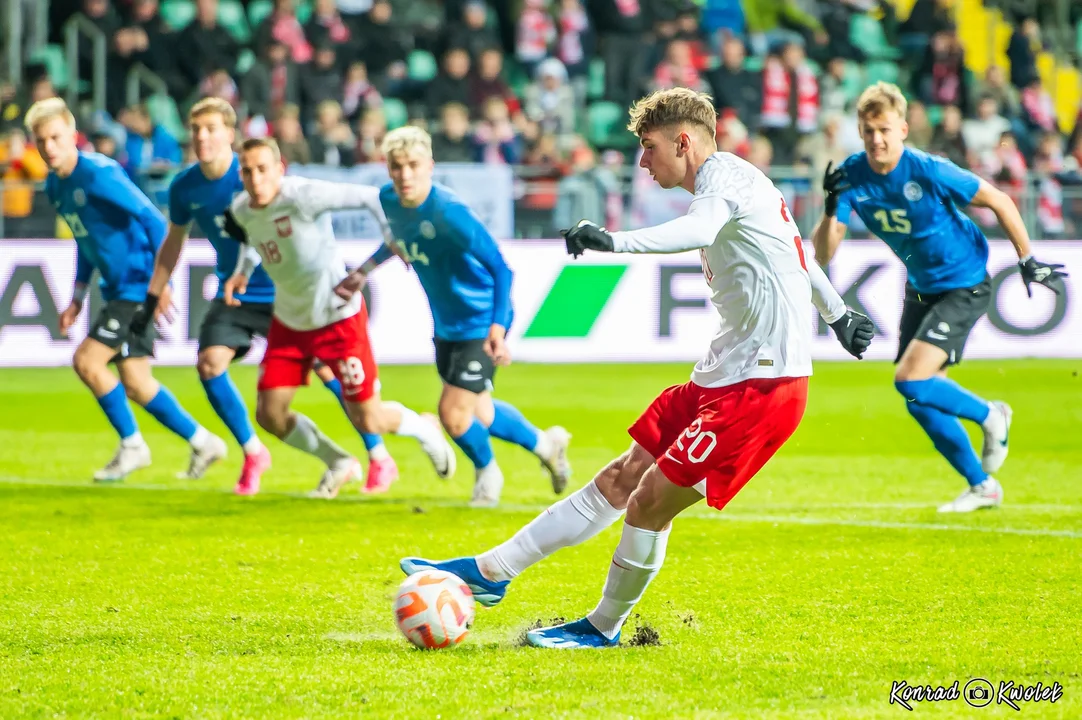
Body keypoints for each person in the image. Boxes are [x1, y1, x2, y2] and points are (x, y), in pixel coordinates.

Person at [398, 87, 875, 648]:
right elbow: (798, 250)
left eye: (648, 148)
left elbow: (700, 233)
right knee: (623, 476)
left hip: (764, 386)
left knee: (650, 498)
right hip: (723, 374)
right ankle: (490, 572)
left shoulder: (724, 181)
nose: (642, 163)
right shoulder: (743, 180)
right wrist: (838, 314)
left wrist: (613, 241)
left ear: (683, 140)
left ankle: (603, 628)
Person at [812, 82, 1068, 513]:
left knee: (910, 380)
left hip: (964, 284)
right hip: (921, 287)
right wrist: (831, 202)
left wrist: (1027, 259)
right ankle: (982, 485)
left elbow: (1000, 200)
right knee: (918, 396)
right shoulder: (851, 176)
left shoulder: (927, 169)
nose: (877, 139)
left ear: (904, 129)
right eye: (869, 130)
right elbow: (824, 253)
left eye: (885, 130)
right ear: (860, 130)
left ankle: (992, 415)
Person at [134, 97, 398, 497]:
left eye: (211, 129)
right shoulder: (185, 186)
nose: (202, 137)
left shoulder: (254, 175)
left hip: (286, 292)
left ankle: (377, 454)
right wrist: (158, 289)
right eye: (196, 130)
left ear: (230, 134)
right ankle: (253, 450)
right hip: (238, 291)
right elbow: (174, 240)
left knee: (330, 373)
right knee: (209, 363)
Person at [339, 126, 572, 507]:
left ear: (430, 165)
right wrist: (364, 271)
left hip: (480, 321)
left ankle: (487, 474)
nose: (405, 175)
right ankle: (547, 446)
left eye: (413, 165)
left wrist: (498, 328)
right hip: (446, 324)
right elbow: (399, 240)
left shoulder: (450, 212)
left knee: (453, 414)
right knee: (480, 408)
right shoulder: (389, 199)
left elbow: (501, 268)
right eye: (396, 167)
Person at [221, 138, 456, 499]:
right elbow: (255, 238)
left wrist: (392, 236)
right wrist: (242, 270)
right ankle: (338, 461)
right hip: (290, 322)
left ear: (280, 169)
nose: (255, 179)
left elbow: (370, 196)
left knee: (369, 418)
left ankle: (425, 429)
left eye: (263, 169)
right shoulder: (242, 208)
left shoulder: (303, 195)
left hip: (337, 319)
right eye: (247, 171)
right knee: (269, 415)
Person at [27, 97, 226, 483]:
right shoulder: (55, 186)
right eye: (41, 141)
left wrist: (160, 283)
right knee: (136, 382)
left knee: (87, 362)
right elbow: (85, 243)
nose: (49, 147)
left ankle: (133, 446)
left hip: (137, 286)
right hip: (118, 287)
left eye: (55, 137)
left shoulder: (98, 173)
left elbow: (154, 220)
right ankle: (204, 442)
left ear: (72, 135)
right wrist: (77, 297)